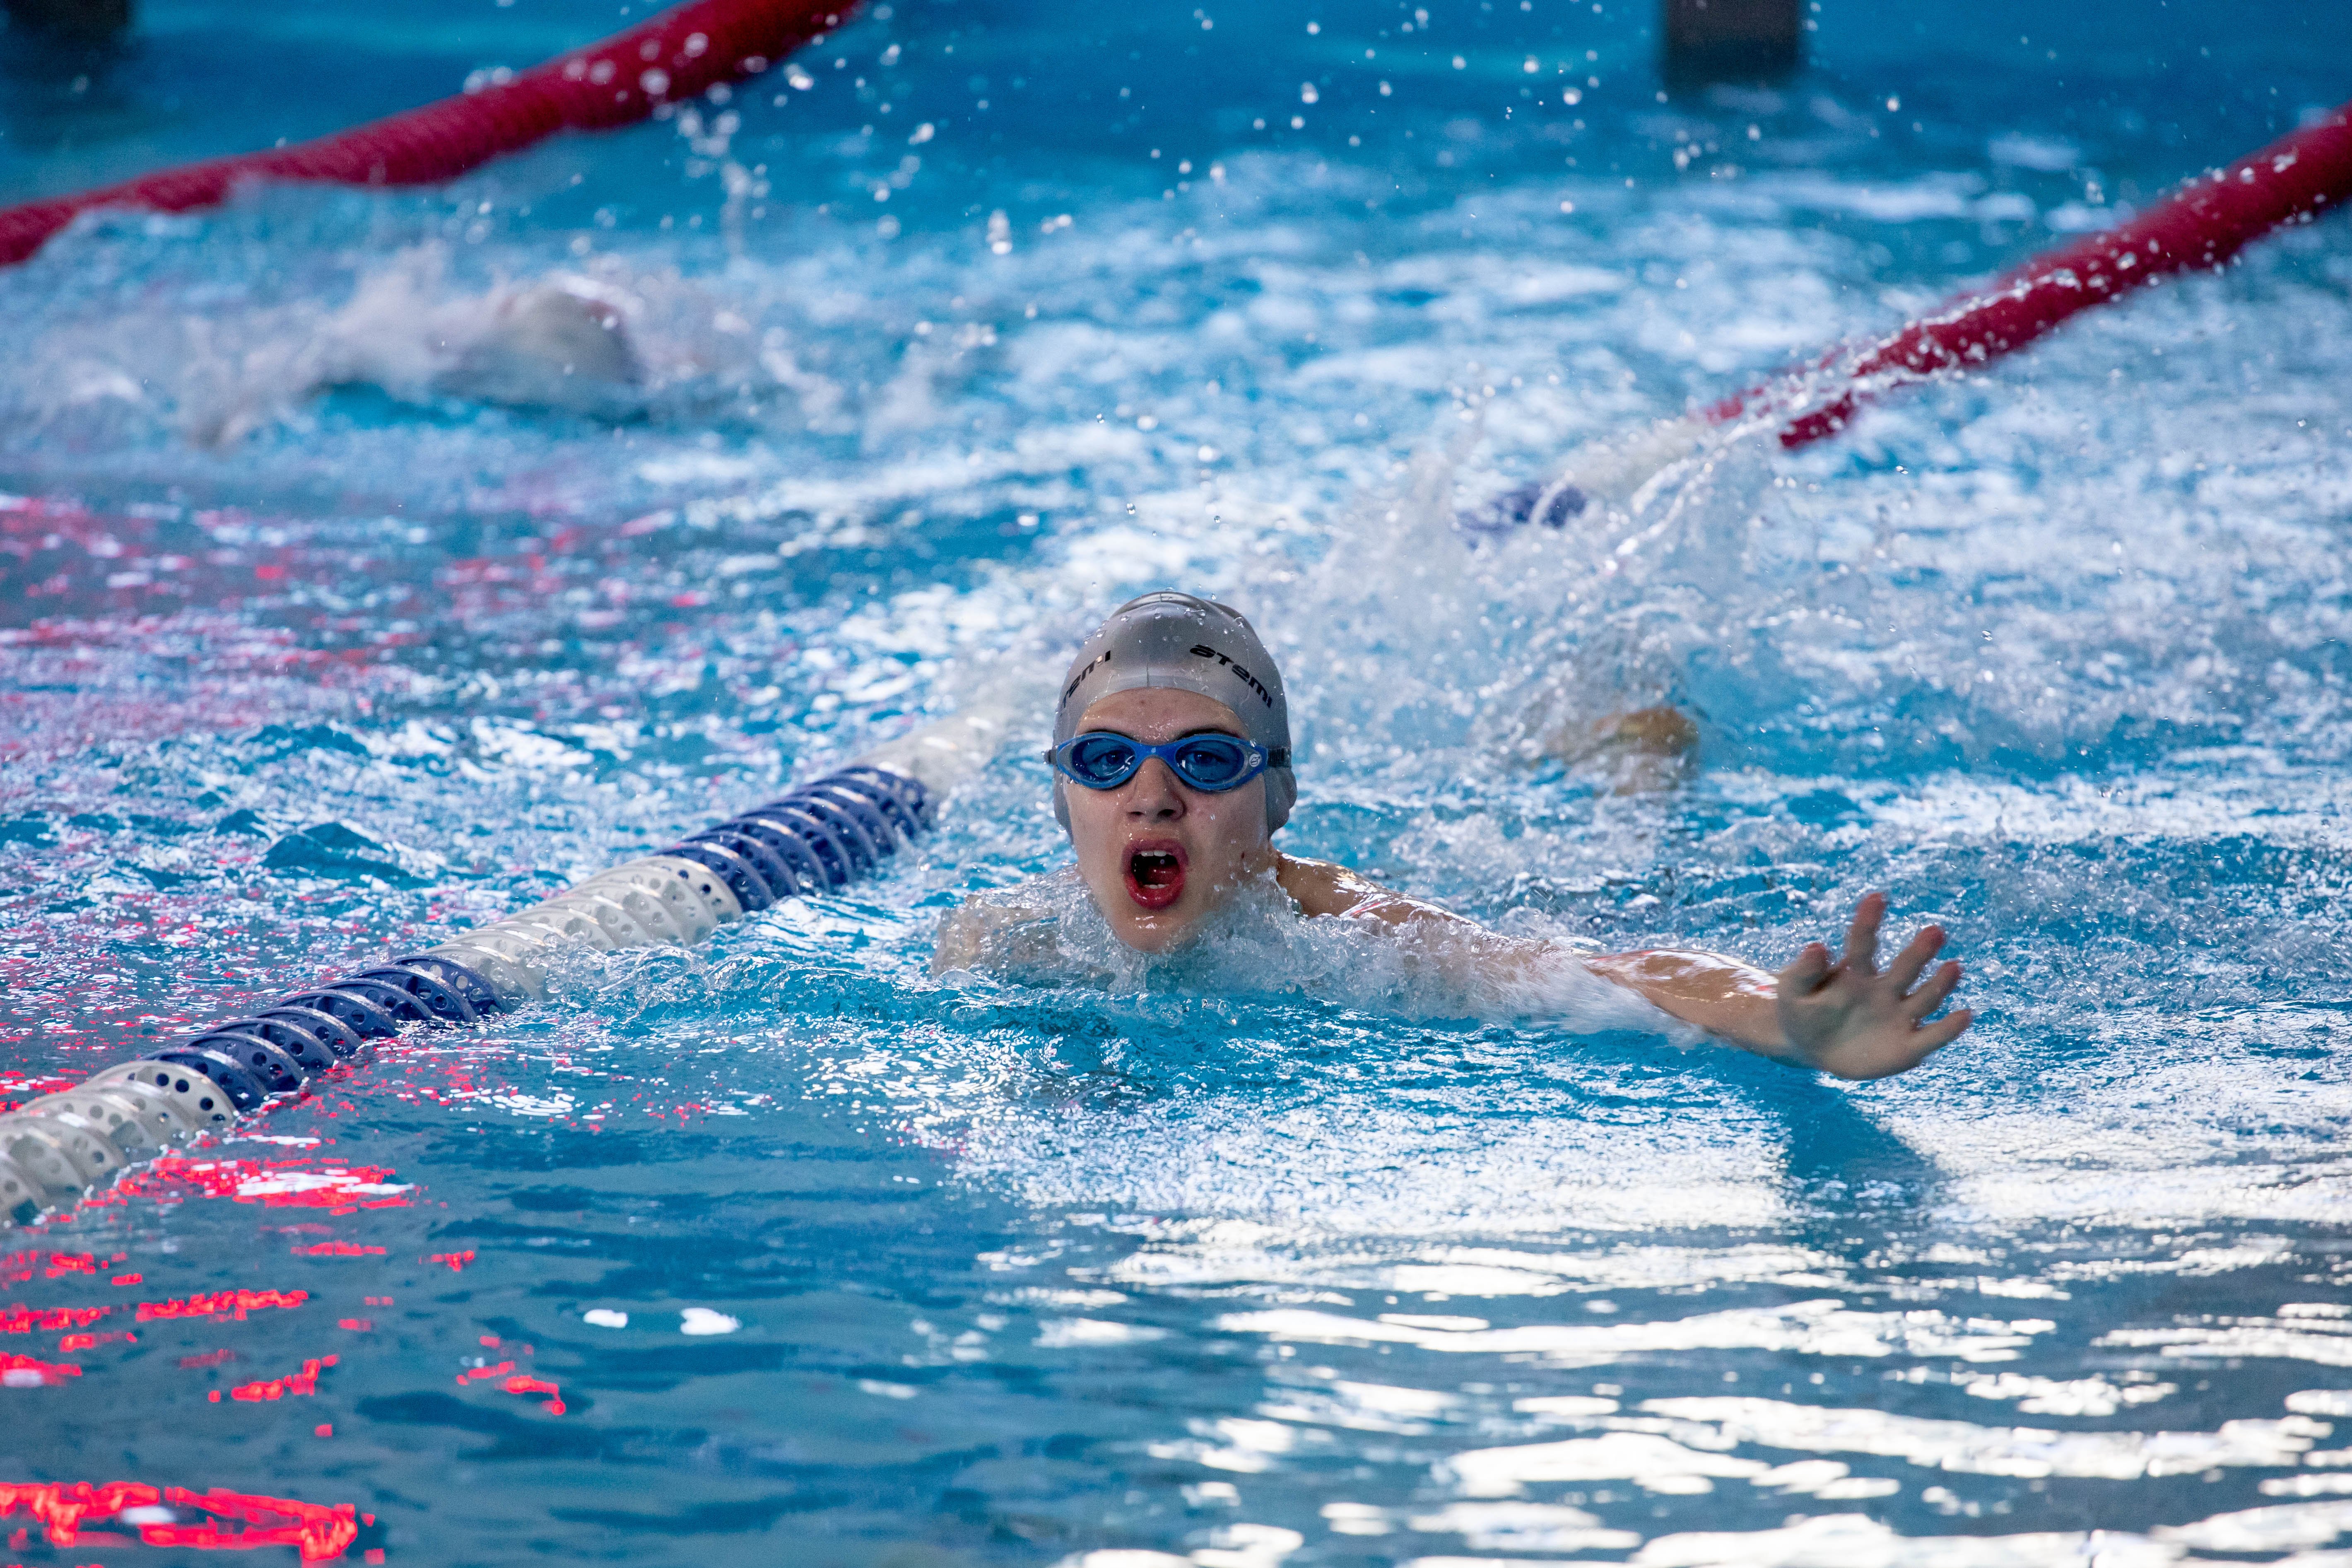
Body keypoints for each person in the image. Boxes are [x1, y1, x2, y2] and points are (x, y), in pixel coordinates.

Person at [933, 591, 1972, 1081]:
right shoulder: (992, 945)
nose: (1151, 797)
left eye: (1206, 762)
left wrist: (1788, 1027)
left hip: (1567, 888)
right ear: (1063, 798)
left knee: (1631, 842)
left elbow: (1616, 970)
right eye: (1106, 762)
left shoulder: (1346, 935)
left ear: (1275, 799)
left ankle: (1634, 752)